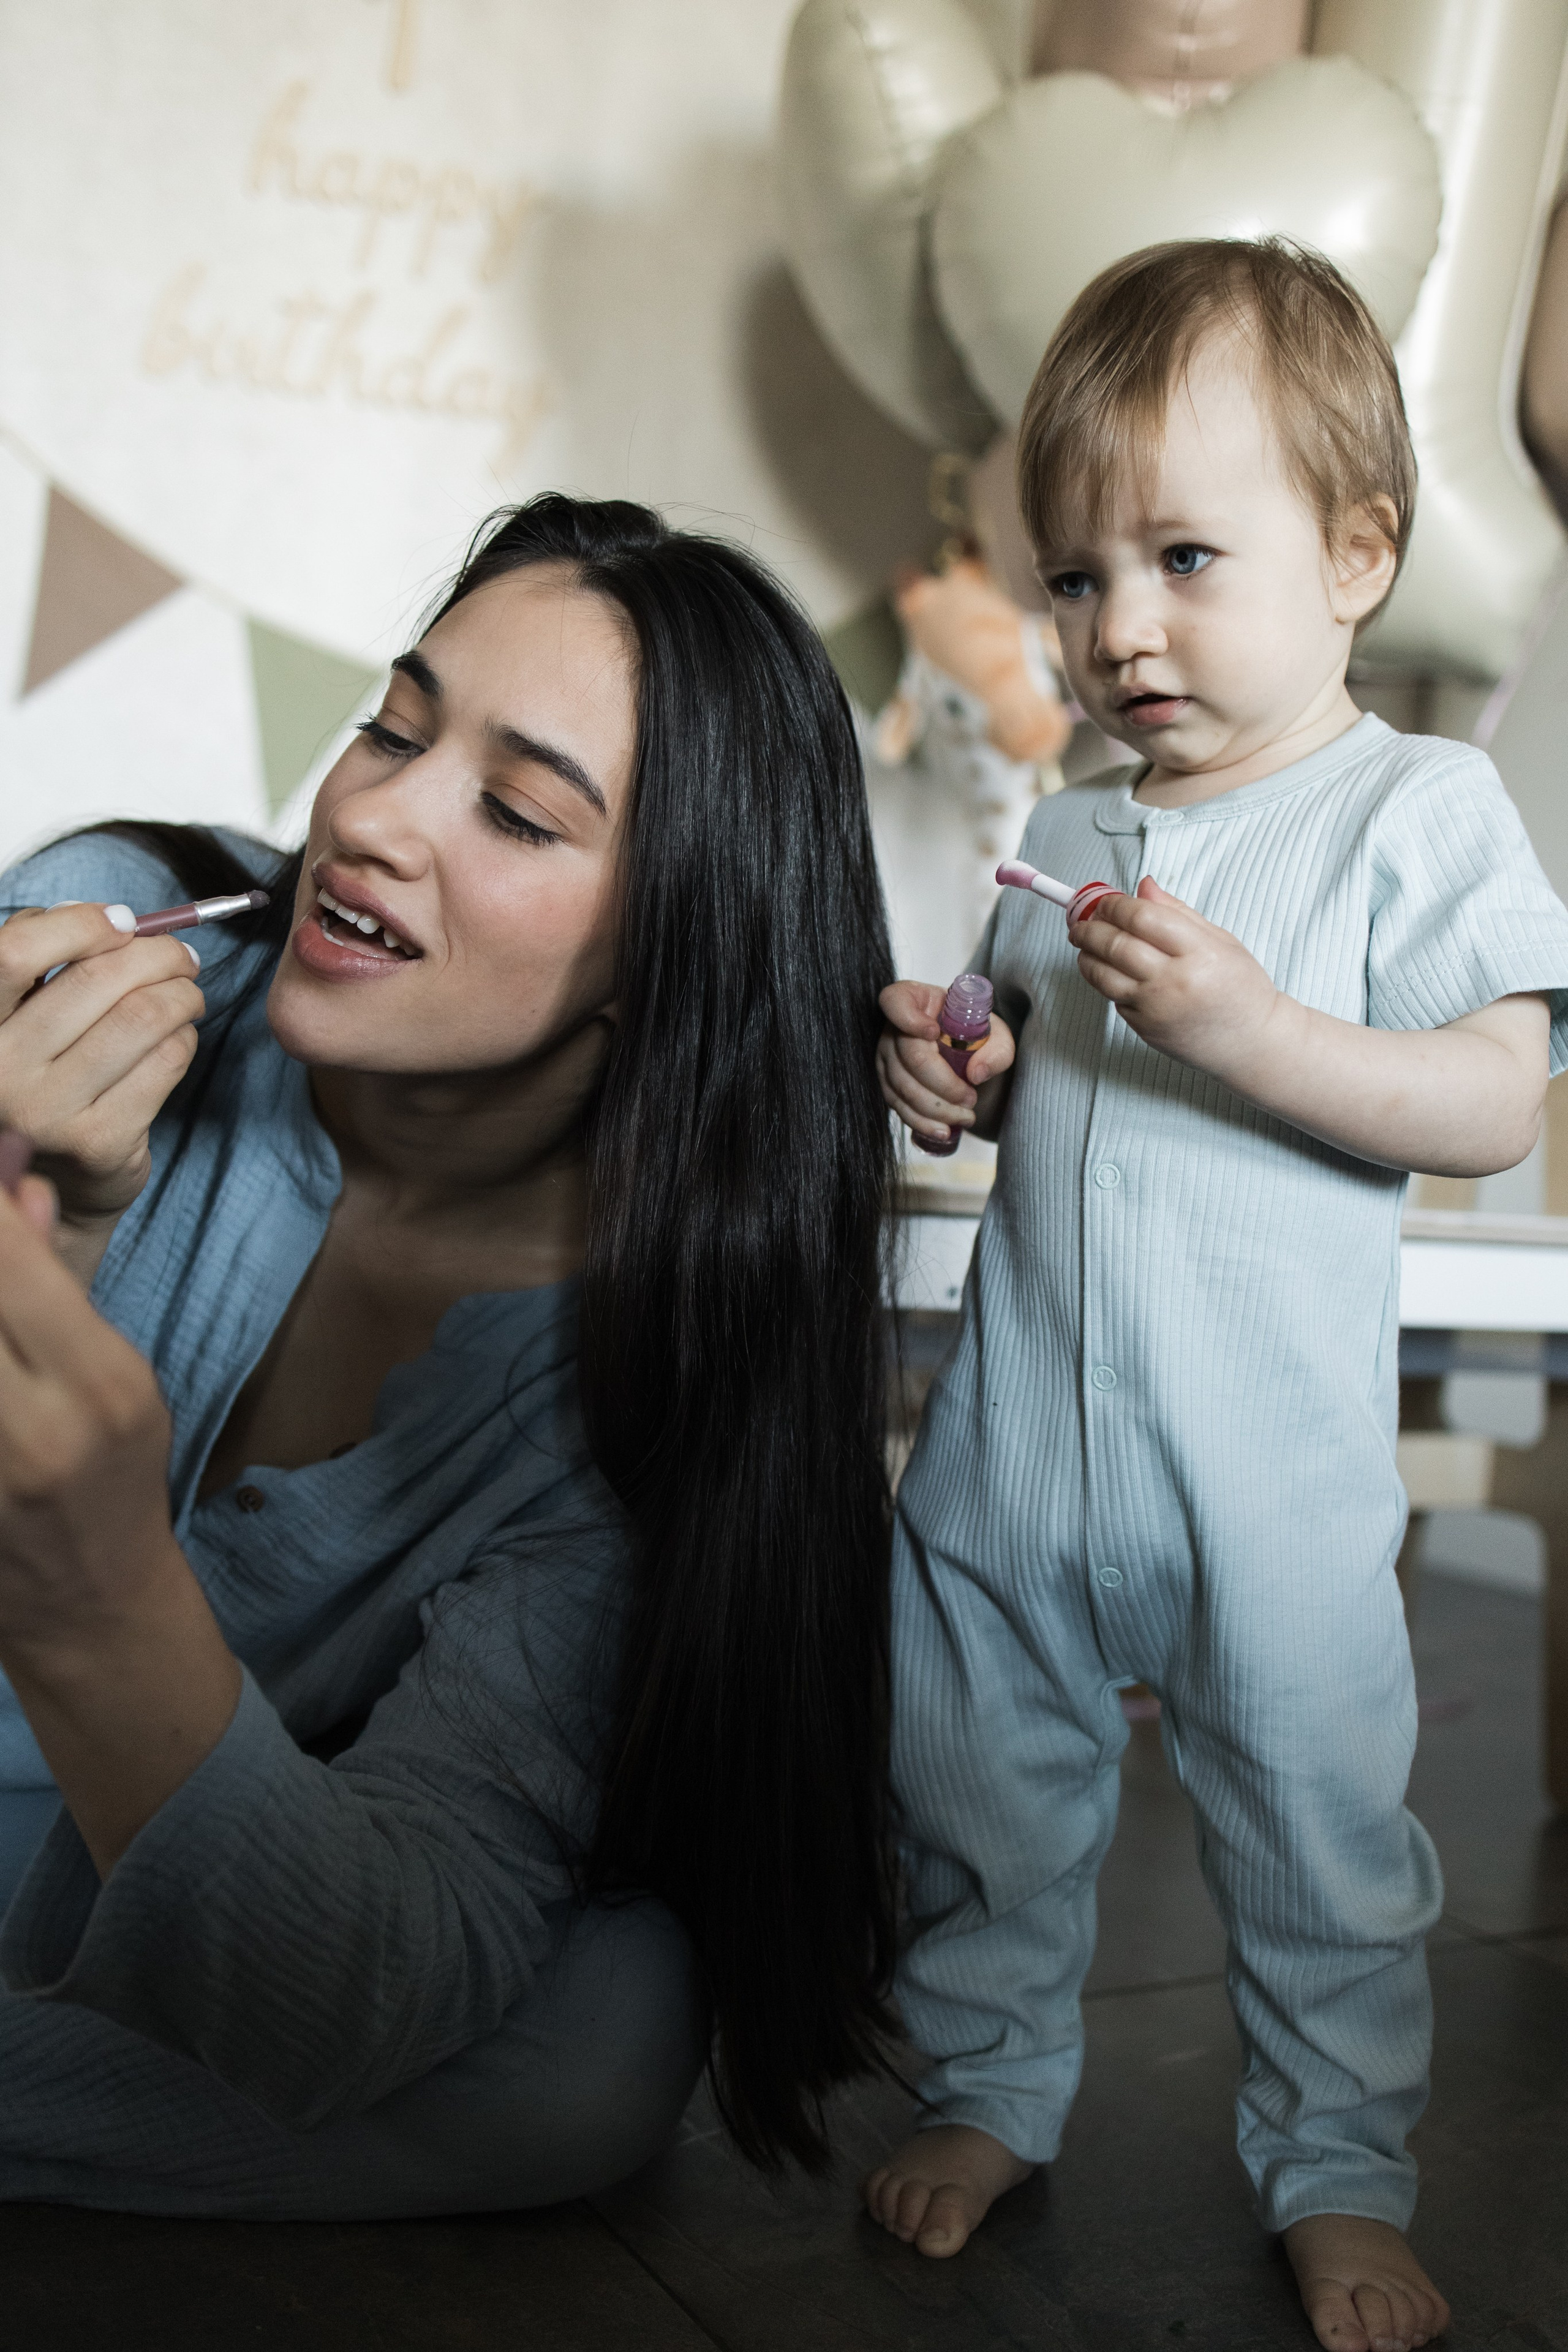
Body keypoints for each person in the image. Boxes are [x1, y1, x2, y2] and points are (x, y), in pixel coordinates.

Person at [0, 492, 899, 2214]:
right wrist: (58, 1217)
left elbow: (374, 1962)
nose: (371, 818)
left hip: (150, 1829)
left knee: (603, 2040)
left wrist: (106, 1596)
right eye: (393, 728)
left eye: (513, 809)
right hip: (109, 1837)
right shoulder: (88, 945)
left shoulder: (635, 1391)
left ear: (666, 954)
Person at [868, 238, 1568, 2352]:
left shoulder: (1414, 808)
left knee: (1317, 1840)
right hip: (1012, 1457)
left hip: (1262, 1489)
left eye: (1184, 556)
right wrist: (949, 1064)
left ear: (1355, 556)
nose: (1122, 628)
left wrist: (1258, 1028)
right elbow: (1012, 1084)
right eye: (1076, 580)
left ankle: (1340, 2167)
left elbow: (1491, 1099)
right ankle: (991, 2082)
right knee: (972, 1788)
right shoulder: (1071, 819)